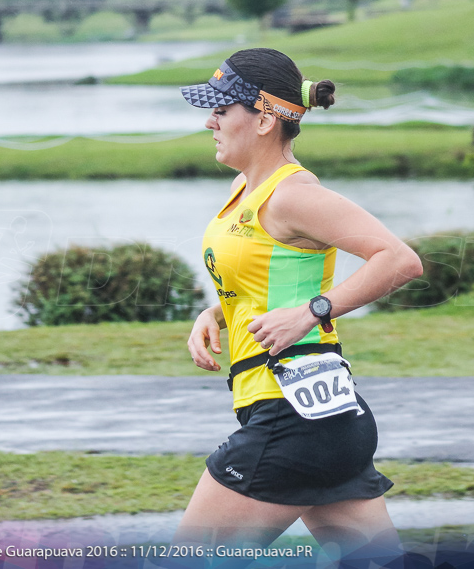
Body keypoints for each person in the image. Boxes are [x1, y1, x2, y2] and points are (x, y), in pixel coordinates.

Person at [173, 48, 423, 557]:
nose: (209, 122)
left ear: (264, 119)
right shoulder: (245, 188)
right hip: (327, 422)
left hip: (289, 420)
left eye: (222, 110)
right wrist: (216, 311)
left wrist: (315, 311)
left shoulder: (294, 196)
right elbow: (265, 275)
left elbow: (398, 260)